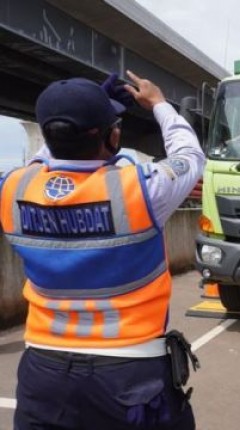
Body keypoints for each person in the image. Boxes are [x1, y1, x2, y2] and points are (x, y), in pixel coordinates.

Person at [0, 71, 205, 429]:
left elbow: (42, 155)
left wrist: (82, 106)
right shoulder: (141, 188)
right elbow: (190, 155)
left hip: (44, 372)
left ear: (48, 133)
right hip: (130, 374)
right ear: (112, 136)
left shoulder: (13, 187)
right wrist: (159, 104)